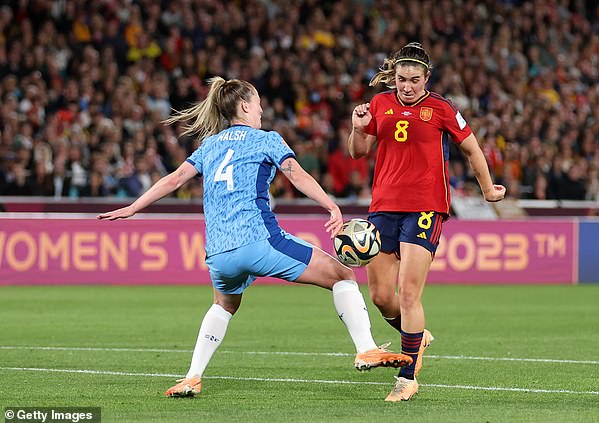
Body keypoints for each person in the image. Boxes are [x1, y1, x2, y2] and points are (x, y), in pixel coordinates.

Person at [98, 77, 412, 398]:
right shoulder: (266, 139)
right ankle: (366, 348)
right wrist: (330, 204)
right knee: (342, 275)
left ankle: (192, 376)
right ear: (246, 106)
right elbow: (296, 173)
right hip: (258, 241)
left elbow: (175, 179)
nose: (262, 109)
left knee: (224, 304)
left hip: (219, 254)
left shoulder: (210, 146)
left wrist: (134, 207)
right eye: (258, 102)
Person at [348, 42, 506, 402]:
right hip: (384, 207)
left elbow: (471, 147)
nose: (407, 87)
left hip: (426, 207)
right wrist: (358, 128)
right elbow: (358, 152)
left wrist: (487, 189)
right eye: (401, 80)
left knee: (408, 292)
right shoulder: (379, 104)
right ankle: (416, 337)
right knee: (380, 296)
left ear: (427, 77)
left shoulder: (441, 108)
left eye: (414, 80)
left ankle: (407, 377)